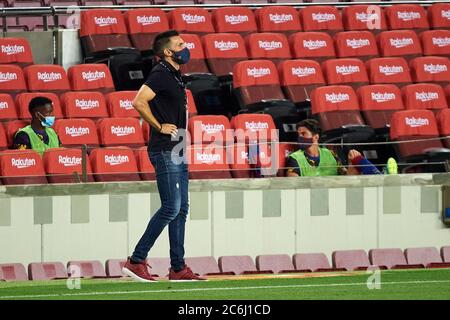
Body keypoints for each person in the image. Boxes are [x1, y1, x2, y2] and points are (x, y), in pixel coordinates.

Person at [122, 30, 205, 282]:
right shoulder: (160, 73)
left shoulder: (175, 75)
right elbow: (138, 102)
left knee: (181, 210)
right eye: (180, 44)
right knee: (171, 207)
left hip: (177, 148)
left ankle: (178, 268)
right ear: (167, 52)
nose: (186, 46)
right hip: (164, 148)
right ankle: (136, 260)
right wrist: (159, 126)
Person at [286, 119, 383, 177]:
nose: (300, 137)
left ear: (316, 137)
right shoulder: (295, 158)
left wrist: (351, 163)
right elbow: (293, 184)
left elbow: (346, 178)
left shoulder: (330, 154)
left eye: (303, 134)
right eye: (298, 134)